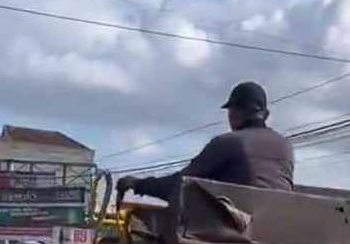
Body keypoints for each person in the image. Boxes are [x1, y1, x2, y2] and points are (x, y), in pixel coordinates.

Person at [116, 81, 294, 202]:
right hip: (280, 235)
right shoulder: (286, 146)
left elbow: (179, 185)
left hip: (232, 235)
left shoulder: (228, 143)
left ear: (236, 112)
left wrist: (139, 184)